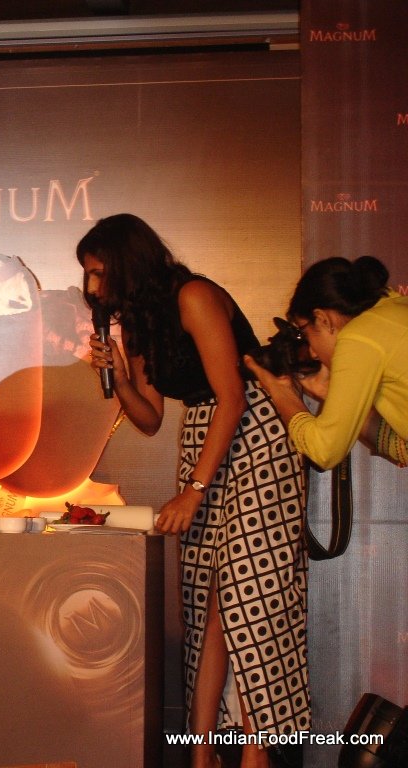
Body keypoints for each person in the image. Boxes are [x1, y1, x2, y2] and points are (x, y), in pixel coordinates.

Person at [78, 214, 309, 768]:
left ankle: (256, 753)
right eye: (88, 274)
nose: (91, 285)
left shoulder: (194, 295)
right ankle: (202, 753)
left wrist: (194, 490)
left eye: (98, 271)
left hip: (256, 436)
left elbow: (233, 395)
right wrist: (120, 379)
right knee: (207, 603)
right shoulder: (138, 322)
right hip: (203, 437)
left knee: (250, 599)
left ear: (128, 261)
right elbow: (150, 418)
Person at [244, 256, 408, 469]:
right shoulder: (395, 309)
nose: (313, 353)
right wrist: (329, 392)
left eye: (305, 333)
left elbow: (324, 451)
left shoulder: (360, 337)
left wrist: (279, 391)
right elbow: (402, 448)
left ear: (322, 319)